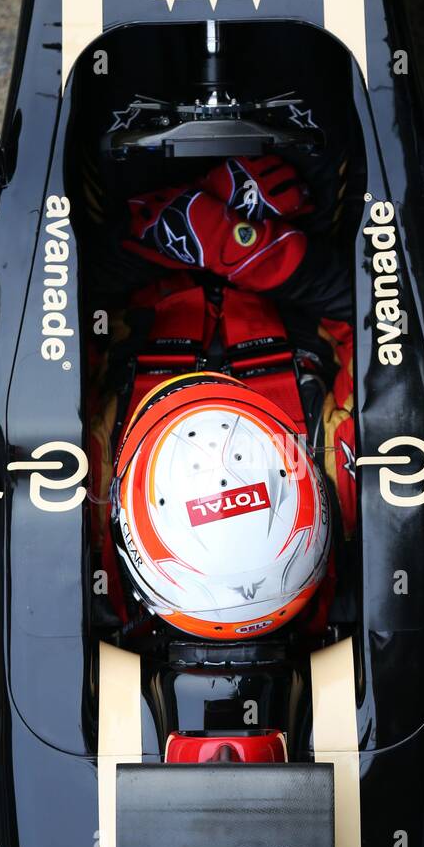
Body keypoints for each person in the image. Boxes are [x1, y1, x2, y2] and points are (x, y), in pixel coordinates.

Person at [88, 154, 356, 638]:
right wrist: (241, 244)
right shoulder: (348, 492)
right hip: (297, 249)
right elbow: (383, 317)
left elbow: (57, 314)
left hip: (133, 243)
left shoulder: (87, 516)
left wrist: (188, 231)